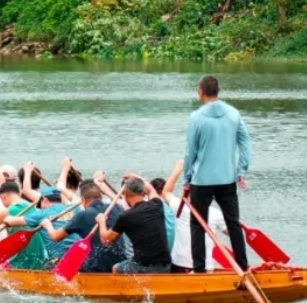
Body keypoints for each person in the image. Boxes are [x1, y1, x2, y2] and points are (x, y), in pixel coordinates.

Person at [183, 74, 251, 272]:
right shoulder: (233, 113)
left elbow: (190, 151)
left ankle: (199, 269)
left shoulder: (196, 117)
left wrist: (187, 178)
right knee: (233, 222)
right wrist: (241, 170)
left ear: (201, 92)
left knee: (198, 224)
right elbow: (245, 142)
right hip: (227, 179)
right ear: (218, 92)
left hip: (201, 180)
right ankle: (242, 266)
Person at [39, 181, 127, 273]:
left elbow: (56, 237)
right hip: (120, 261)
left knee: (50, 266)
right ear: (101, 197)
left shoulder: (82, 215)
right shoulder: (118, 208)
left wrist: (47, 225)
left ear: (83, 200)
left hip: (97, 265)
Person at [97, 177, 172, 274]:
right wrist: (134, 175)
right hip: (166, 265)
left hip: (143, 267)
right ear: (143, 191)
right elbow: (150, 189)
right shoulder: (156, 204)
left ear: (126, 193)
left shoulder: (126, 216)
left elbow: (106, 240)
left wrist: (101, 221)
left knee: (115, 268)